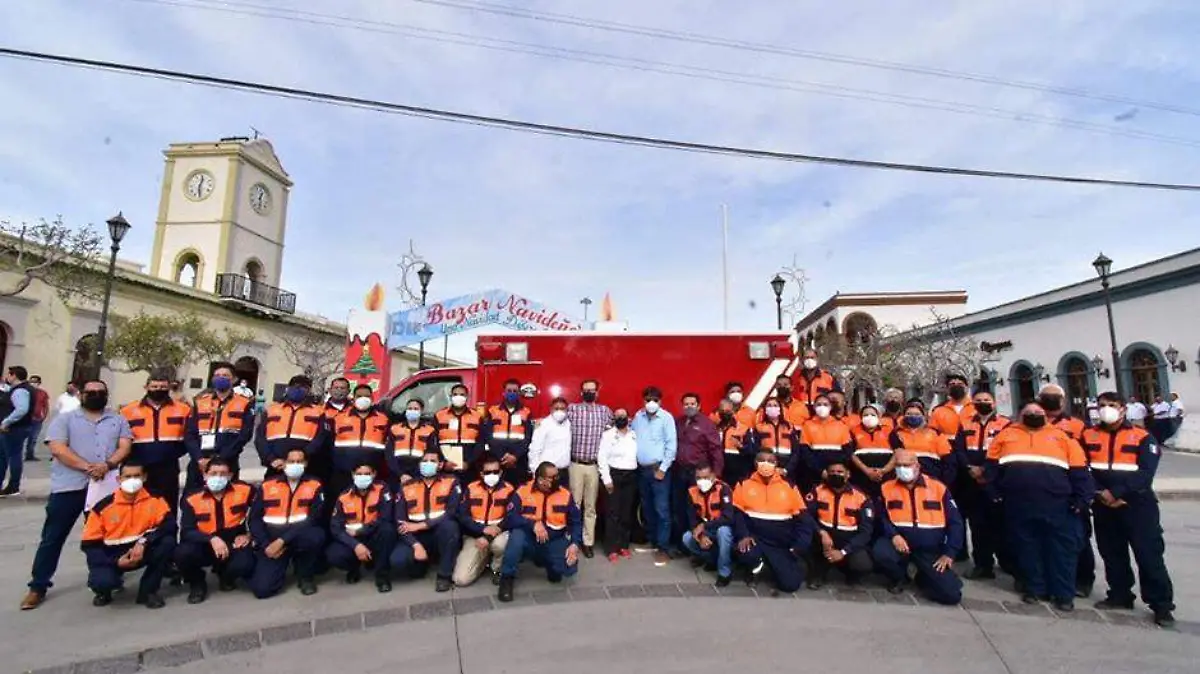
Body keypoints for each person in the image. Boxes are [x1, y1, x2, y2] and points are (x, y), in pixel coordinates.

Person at [20, 380, 131, 611]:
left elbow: (124, 446)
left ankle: (108, 580)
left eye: (101, 392)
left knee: (107, 536)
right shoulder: (66, 419)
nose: (96, 395)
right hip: (70, 487)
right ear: (81, 394)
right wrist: (88, 467)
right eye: (91, 392)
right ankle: (38, 586)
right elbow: (58, 449)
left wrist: (108, 465)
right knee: (53, 537)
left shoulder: (117, 420)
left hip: (104, 488)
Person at [986, 402, 1094, 611]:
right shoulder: (1005, 436)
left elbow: (1080, 471)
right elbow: (991, 470)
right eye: (1029, 412)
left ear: (1045, 415)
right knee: (1027, 549)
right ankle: (1034, 589)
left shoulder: (1063, 438)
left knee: (1061, 551)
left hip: (1058, 504)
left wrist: (1082, 499)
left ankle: (1063, 594)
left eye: (1038, 412)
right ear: (1020, 415)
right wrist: (995, 494)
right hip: (1018, 504)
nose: (1034, 415)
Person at [1083, 392, 1176, 627]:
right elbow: (1082, 467)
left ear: (1123, 409)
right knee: (1112, 553)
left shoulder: (1142, 436)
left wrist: (1117, 493)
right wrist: (1100, 493)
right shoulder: (1088, 435)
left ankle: (1161, 605)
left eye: (1111, 405)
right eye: (1102, 405)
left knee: (1148, 555)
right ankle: (1120, 594)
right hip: (1103, 504)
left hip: (1137, 505)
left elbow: (1145, 473)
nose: (1106, 409)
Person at [81, 459, 177, 609]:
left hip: (142, 549)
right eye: (127, 476)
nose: (132, 480)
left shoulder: (156, 499)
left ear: (144, 477)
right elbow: (89, 545)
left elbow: (169, 525)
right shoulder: (102, 507)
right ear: (119, 479)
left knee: (168, 542)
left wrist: (144, 541)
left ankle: (148, 592)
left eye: (137, 476)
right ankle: (104, 591)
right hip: (113, 554)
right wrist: (116, 561)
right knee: (103, 581)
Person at [872, 449, 963, 605]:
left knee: (951, 595)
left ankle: (922, 576)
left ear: (917, 466)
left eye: (906, 465)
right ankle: (900, 577)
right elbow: (882, 517)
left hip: (929, 549)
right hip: (899, 544)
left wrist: (949, 553)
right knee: (880, 553)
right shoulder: (886, 488)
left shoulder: (938, 488)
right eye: (899, 465)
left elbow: (955, 523)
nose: (902, 469)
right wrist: (894, 535)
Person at [497, 461, 583, 602]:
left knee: (566, 570)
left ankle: (548, 564)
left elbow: (576, 522)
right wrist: (532, 524)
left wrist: (574, 544)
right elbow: (510, 517)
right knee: (516, 537)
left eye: (557, 476)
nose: (557, 479)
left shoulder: (565, 494)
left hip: (554, 539)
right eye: (552, 477)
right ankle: (507, 579)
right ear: (541, 479)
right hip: (529, 537)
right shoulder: (523, 491)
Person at [175, 458, 256, 603]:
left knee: (246, 563)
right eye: (213, 473)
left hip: (233, 540)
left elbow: (261, 514)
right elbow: (187, 531)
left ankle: (226, 576)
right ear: (205, 475)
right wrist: (211, 539)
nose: (218, 477)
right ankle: (197, 583)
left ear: (231, 475)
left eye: (223, 473)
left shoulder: (245, 490)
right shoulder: (192, 498)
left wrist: (249, 535)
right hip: (204, 542)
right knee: (182, 554)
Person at [247, 449, 327, 598]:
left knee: (316, 536)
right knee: (262, 590)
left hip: (299, 536)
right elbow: (254, 519)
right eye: (291, 461)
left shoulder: (314, 484)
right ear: (283, 463)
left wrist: (282, 540)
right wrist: (265, 544)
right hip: (270, 539)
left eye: (299, 461)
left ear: (306, 463)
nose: (295, 465)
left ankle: (305, 576)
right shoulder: (268, 485)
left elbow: (313, 518)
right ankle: (278, 570)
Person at [1038, 383, 1094, 597]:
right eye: (1046, 396)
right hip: (1042, 489)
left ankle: (1082, 580)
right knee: (1044, 538)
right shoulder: (1032, 421)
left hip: (1070, 489)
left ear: (1063, 400)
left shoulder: (1077, 426)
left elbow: (1088, 457)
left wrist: (1085, 491)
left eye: (1054, 397)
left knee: (1078, 538)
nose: (1050, 400)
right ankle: (1047, 578)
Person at [732, 451, 813, 593]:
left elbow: (803, 518)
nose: (766, 464)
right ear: (755, 463)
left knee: (790, 585)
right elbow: (737, 514)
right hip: (754, 538)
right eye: (762, 460)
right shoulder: (743, 483)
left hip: (780, 542)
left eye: (770, 461)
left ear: (776, 464)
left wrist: (799, 545)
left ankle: (782, 564)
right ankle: (753, 568)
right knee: (745, 551)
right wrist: (743, 534)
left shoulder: (789, 486)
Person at [954, 390, 1011, 580]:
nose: (983, 403)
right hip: (970, 480)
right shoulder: (965, 423)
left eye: (986, 400)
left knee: (1000, 523)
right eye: (978, 400)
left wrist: (986, 471)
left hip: (995, 480)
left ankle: (1007, 560)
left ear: (993, 403)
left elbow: (1007, 449)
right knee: (977, 525)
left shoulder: (1005, 424)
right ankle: (982, 564)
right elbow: (959, 449)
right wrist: (969, 468)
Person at [121, 370, 192, 513]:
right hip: (138, 467)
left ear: (169, 388)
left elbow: (190, 437)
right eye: (154, 387)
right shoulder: (128, 411)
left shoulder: (183, 409)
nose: (158, 390)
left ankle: (167, 534)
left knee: (167, 507)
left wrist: (173, 453)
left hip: (168, 468)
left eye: (162, 387)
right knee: (137, 506)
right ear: (146, 388)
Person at [326, 462, 397, 593]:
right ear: (353, 475)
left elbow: (386, 517)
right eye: (359, 474)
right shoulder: (344, 496)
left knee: (388, 530)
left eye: (367, 474)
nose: (362, 477)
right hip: (354, 540)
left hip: (374, 535)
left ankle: (382, 577)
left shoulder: (382, 489)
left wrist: (361, 530)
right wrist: (356, 545)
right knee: (334, 555)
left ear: (374, 474)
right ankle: (354, 568)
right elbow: (336, 527)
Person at [398, 450, 463, 592]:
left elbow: (452, 513)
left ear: (440, 465)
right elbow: (399, 521)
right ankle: (423, 561)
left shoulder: (451, 481)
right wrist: (415, 545)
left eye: (432, 461)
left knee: (450, 527)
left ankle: (444, 575)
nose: (428, 464)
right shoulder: (407, 486)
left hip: (439, 531)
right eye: (424, 461)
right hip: (417, 537)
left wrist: (422, 525)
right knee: (399, 561)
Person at [184, 363, 255, 489]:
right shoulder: (200, 402)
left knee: (225, 500)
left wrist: (221, 459)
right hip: (200, 461)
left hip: (227, 461)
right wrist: (199, 458)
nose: (220, 378)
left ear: (234, 379)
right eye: (217, 375)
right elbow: (190, 433)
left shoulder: (244, 403)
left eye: (225, 375)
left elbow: (245, 435)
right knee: (192, 500)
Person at [806, 461, 874, 589]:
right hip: (824, 536)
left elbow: (866, 532)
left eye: (839, 472)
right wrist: (821, 532)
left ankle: (850, 574)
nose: (835, 475)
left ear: (848, 474)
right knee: (805, 541)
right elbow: (806, 516)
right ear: (826, 474)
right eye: (832, 472)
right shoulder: (817, 491)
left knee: (863, 564)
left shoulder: (861, 497)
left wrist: (843, 552)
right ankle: (818, 574)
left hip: (849, 538)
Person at [565, 379, 612, 558]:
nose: (589, 393)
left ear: (597, 392)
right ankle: (573, 540)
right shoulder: (572, 410)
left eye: (592, 390)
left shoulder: (605, 412)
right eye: (586, 390)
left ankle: (588, 542)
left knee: (590, 507)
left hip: (593, 466)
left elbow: (620, 428)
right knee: (574, 505)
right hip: (575, 464)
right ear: (581, 392)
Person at [452, 457, 517, 587]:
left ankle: (497, 569)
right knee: (460, 579)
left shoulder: (509, 489)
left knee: (500, 545)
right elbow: (462, 515)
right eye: (487, 472)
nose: (492, 475)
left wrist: (489, 535)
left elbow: (512, 516)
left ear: (500, 472)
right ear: (481, 474)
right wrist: (481, 530)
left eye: (495, 471)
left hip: (499, 532)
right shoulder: (471, 488)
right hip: (475, 535)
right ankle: (483, 559)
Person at [632, 386, 677, 565]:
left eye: (655, 400)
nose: (651, 403)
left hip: (659, 470)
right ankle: (653, 541)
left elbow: (671, 445)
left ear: (661, 401)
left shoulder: (666, 418)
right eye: (648, 399)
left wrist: (663, 469)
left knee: (662, 510)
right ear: (643, 401)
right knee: (647, 508)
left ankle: (663, 549)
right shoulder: (638, 417)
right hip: (642, 471)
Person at [673, 393, 723, 554]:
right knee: (679, 507)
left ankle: (699, 545)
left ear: (699, 405)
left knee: (696, 510)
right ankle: (683, 545)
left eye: (692, 403)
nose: (689, 406)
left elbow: (716, 450)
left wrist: (716, 472)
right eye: (686, 404)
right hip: (680, 472)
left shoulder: (707, 424)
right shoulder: (679, 422)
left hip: (698, 475)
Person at [327, 383, 390, 502]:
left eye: (366, 396)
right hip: (343, 474)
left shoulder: (383, 419)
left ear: (372, 398)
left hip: (372, 475)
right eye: (359, 396)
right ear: (353, 398)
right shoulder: (339, 418)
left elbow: (387, 445)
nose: (363, 399)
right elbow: (330, 443)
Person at [255, 375, 325, 478]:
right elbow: (260, 438)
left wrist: (303, 456)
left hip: (304, 466)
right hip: (276, 466)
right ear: (288, 388)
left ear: (309, 390)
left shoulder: (318, 411)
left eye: (302, 387)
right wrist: (271, 459)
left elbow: (320, 438)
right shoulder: (272, 410)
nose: (297, 389)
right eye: (294, 386)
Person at [681, 464, 735, 586]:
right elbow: (692, 518)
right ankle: (711, 559)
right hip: (706, 531)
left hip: (720, 527)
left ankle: (724, 572)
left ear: (712, 476)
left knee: (724, 532)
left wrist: (704, 527)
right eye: (698, 478)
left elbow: (728, 517)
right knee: (687, 538)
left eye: (705, 477)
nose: (701, 481)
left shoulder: (723, 489)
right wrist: (700, 536)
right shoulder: (692, 492)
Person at [597, 408, 639, 561]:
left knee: (626, 513)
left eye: (623, 415)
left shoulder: (634, 434)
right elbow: (602, 457)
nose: (621, 418)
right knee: (612, 513)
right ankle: (611, 548)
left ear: (629, 418)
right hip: (614, 475)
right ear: (613, 418)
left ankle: (623, 545)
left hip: (631, 476)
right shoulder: (608, 435)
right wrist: (606, 479)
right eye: (617, 416)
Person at [889, 400, 955, 485]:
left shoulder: (935, 433)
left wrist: (944, 481)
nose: (912, 416)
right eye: (909, 414)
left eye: (917, 414)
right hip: (904, 478)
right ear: (903, 416)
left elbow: (948, 459)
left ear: (923, 416)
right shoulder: (896, 434)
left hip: (932, 477)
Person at [796, 393, 853, 490]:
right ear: (814, 407)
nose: (822, 407)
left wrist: (835, 470)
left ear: (830, 407)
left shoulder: (840, 425)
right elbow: (805, 451)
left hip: (836, 473)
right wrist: (820, 470)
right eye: (819, 404)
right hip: (813, 473)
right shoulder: (807, 425)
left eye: (825, 404)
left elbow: (847, 451)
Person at [485, 379, 534, 486]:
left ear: (519, 393)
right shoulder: (493, 411)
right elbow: (488, 436)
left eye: (515, 391)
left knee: (518, 493)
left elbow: (528, 438)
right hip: (498, 460)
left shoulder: (526, 412)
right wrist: (502, 455)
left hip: (519, 461)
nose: (512, 393)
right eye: (509, 390)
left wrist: (515, 456)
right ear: (504, 392)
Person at [434, 383, 483, 476]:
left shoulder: (477, 416)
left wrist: (469, 462)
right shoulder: (439, 415)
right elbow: (433, 442)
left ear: (467, 397)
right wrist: (444, 463)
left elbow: (481, 443)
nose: (458, 397)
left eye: (462, 395)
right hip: (446, 467)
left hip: (470, 467)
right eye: (455, 394)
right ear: (450, 397)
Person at [0, 365, 35, 495]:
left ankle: (13, 486)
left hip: (14, 428)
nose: (7, 377)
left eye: (9, 374)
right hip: (17, 428)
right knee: (4, 456)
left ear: (14, 375)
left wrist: (6, 422)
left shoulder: (20, 391)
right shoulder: (20, 389)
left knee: (12, 456)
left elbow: (21, 409)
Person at [749, 396, 799, 482]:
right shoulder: (759, 427)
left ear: (780, 409)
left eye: (775, 405)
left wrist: (786, 470)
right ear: (765, 409)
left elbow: (796, 452)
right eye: (769, 405)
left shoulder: (789, 427)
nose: (772, 408)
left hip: (787, 469)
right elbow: (755, 450)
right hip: (766, 468)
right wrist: (767, 467)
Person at [388, 398, 437, 485]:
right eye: (409, 408)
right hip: (397, 473)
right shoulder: (395, 428)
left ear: (421, 411)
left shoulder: (430, 430)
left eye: (416, 409)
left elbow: (431, 453)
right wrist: (401, 474)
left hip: (418, 473)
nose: (412, 411)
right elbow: (389, 454)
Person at [848, 404, 893, 496]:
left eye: (872, 415)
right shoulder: (853, 431)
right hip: (861, 476)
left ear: (879, 416)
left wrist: (883, 470)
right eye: (865, 415)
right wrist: (867, 470)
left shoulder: (889, 430)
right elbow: (850, 453)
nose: (869, 417)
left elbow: (897, 453)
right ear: (860, 417)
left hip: (886, 476)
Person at [528, 397, 572, 480]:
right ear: (551, 409)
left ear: (567, 410)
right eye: (556, 408)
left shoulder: (569, 424)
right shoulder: (543, 425)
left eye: (562, 409)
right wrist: (535, 472)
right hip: (546, 473)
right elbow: (534, 450)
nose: (559, 411)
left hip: (564, 472)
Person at [713, 397, 754, 485]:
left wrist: (741, 446)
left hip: (738, 473)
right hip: (719, 472)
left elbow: (751, 451)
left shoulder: (743, 428)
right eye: (722, 410)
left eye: (727, 410)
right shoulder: (714, 429)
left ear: (733, 411)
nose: (724, 413)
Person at [23, 374, 49, 461]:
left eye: (35, 382)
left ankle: (29, 455)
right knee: (21, 437)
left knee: (33, 438)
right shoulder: (25, 391)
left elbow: (46, 406)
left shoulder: (43, 393)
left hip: (37, 419)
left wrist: (43, 416)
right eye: (31, 381)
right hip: (25, 419)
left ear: (39, 383)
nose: (32, 383)